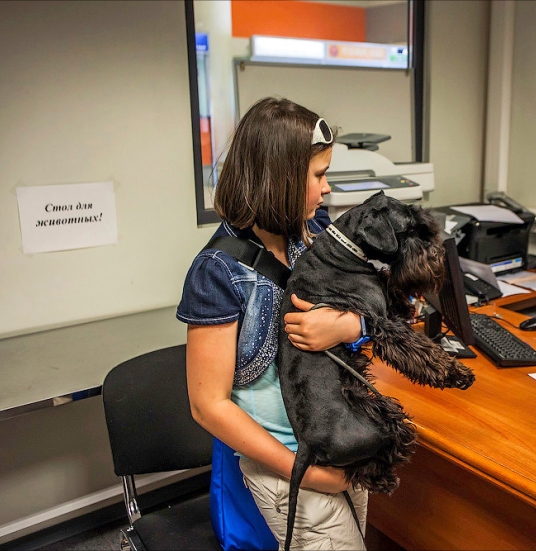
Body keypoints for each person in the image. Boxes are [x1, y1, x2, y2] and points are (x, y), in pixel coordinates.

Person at [177, 97, 369, 550]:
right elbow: (208, 406)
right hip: (290, 466)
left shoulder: (309, 235)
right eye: (319, 175)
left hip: (335, 444)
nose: (326, 190)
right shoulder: (218, 273)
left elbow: (371, 306)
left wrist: (347, 327)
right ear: (280, 179)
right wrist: (308, 474)